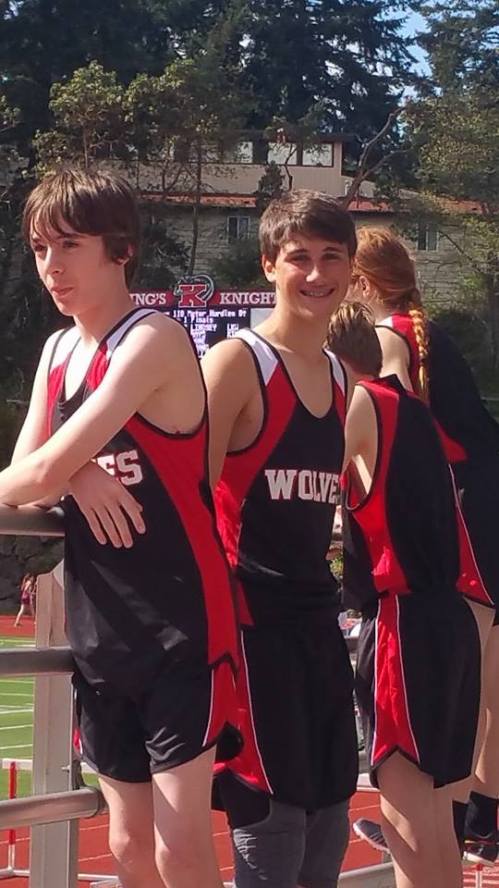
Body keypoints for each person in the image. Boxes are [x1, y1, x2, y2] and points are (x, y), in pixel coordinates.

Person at [0, 168, 240, 888]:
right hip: (101, 631)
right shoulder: (55, 353)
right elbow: (24, 475)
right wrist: (75, 471)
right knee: (130, 847)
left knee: (178, 847)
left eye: (70, 245)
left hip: (180, 626)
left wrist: (59, 467)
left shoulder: (155, 337)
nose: (53, 266)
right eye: (41, 249)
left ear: (121, 249)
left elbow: (34, 472)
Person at [202, 189, 358, 888]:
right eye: (299, 258)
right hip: (249, 627)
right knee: (272, 824)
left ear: (351, 270)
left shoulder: (342, 379)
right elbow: (186, 491)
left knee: (329, 817)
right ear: (269, 264)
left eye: (331, 258)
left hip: (317, 626)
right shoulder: (237, 363)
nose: (315, 273)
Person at [350, 227, 499, 864]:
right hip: (487, 511)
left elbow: (393, 410)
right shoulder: (426, 333)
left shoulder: (389, 338)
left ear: (360, 282)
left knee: (458, 691)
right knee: (486, 683)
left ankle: (452, 817)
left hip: (465, 521)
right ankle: (481, 818)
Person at [328, 301, 480, 888]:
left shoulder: (363, 404)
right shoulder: (416, 412)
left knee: (404, 806)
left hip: (403, 621)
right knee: (435, 813)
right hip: (447, 619)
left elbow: (313, 478)